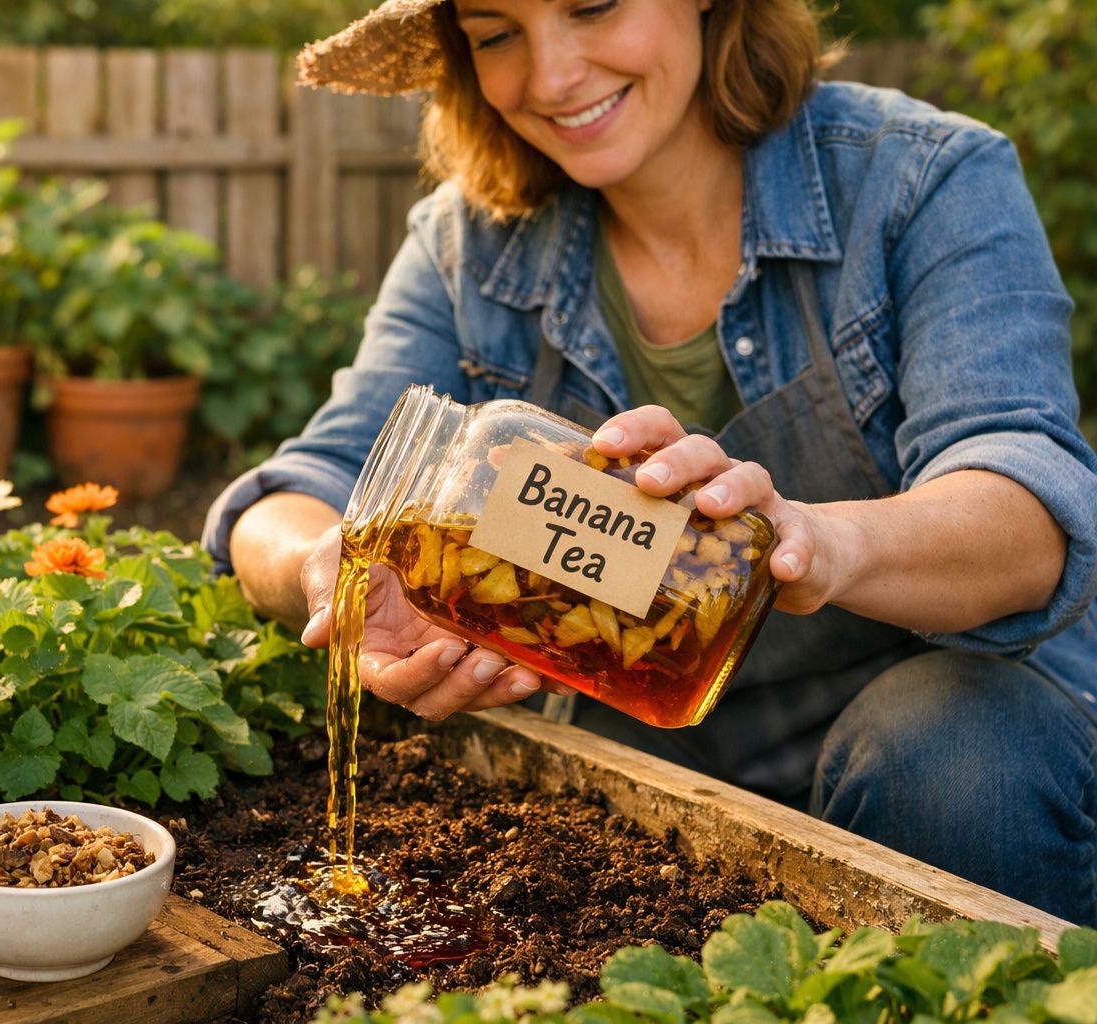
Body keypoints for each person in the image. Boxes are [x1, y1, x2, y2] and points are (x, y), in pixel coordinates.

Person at [203, 0, 1097, 925]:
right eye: (496, 34)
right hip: (651, 729)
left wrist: (818, 545)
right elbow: (292, 495)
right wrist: (332, 574)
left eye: (593, 5)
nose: (550, 78)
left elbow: (1028, 519)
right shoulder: (469, 246)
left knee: (951, 753)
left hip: (938, 733)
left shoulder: (921, 181)